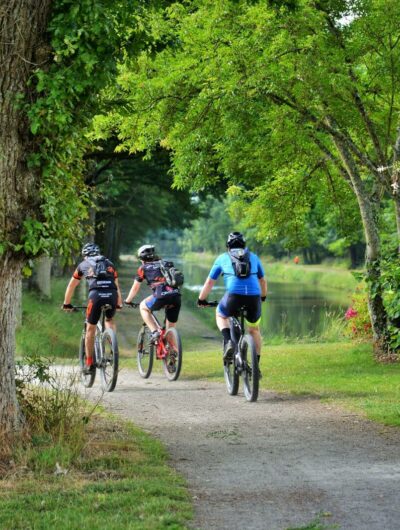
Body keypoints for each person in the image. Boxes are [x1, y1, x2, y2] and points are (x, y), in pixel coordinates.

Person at [197, 231, 267, 368]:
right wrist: (263, 297)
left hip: (233, 296)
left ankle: (229, 341)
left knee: (220, 313)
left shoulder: (222, 258)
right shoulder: (254, 257)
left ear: (228, 246)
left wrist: (201, 299)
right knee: (254, 330)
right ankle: (256, 367)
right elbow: (263, 281)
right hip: (254, 297)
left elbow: (209, 283)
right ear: (244, 245)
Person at [62, 243, 122, 373]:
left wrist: (66, 303)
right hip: (112, 294)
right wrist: (119, 303)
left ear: (85, 255)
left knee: (91, 328)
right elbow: (116, 286)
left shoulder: (83, 265)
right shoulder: (110, 263)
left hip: (96, 296)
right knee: (109, 319)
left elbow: (72, 286)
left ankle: (89, 363)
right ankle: (113, 348)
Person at [124, 244, 181, 341]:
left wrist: (128, 301)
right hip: (176, 296)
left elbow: (135, 288)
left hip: (160, 296)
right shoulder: (167, 263)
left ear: (142, 258)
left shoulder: (143, 268)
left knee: (143, 306)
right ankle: (174, 353)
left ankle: (154, 332)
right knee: (170, 331)